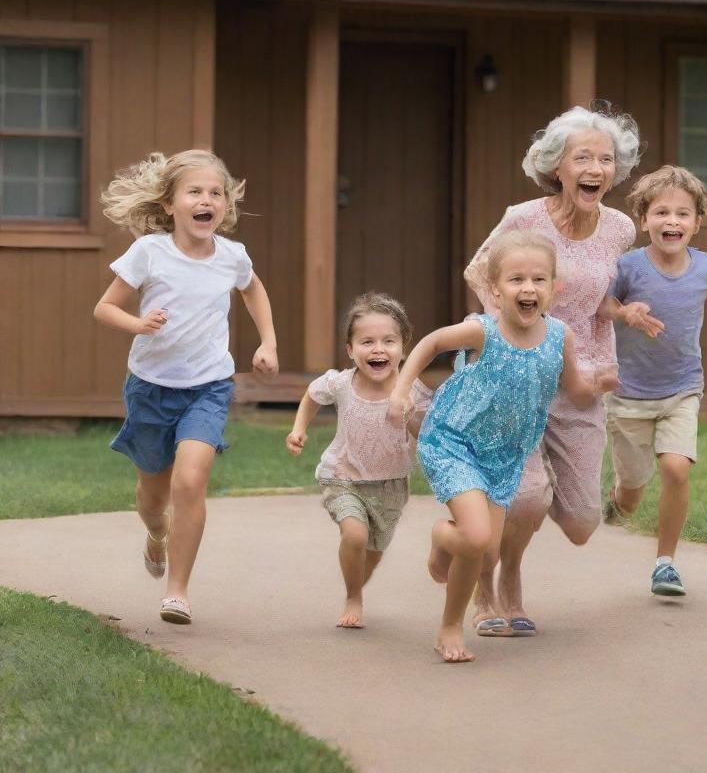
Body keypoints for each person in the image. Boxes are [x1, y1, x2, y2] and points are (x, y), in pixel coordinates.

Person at [390, 231, 617, 663]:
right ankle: (450, 625)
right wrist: (402, 389)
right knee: (477, 539)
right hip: (455, 442)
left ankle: (447, 542)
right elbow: (432, 343)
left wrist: (597, 385)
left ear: (554, 288)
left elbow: (575, 390)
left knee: (484, 548)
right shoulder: (483, 331)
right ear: (495, 289)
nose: (527, 289)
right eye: (515, 280)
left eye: (538, 280)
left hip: (505, 456)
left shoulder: (560, 338)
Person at [464, 103, 641, 637]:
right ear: (556, 167)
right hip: (520, 372)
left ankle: (481, 544)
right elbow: (478, 272)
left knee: (583, 521)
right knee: (524, 495)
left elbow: (602, 296)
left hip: (583, 377)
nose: (596, 168)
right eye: (582, 157)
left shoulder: (619, 228)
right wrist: (514, 333)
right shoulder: (524, 218)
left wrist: (626, 314)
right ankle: (495, 580)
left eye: (606, 159)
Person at [94, 149, 278, 625]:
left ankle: (177, 591)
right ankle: (157, 533)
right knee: (154, 500)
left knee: (191, 480)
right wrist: (138, 323)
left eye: (215, 193)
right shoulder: (149, 252)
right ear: (171, 203)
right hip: (151, 389)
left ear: (224, 207)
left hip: (209, 386)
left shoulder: (232, 256)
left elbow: (253, 289)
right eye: (194, 191)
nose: (206, 200)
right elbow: (104, 308)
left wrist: (268, 343)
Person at [600, 166, 707, 597]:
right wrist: (625, 313)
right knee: (632, 491)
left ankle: (665, 563)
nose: (672, 222)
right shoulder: (628, 266)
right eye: (661, 212)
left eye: (683, 214)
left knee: (676, 468)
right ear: (644, 220)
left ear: (698, 222)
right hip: (627, 395)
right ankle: (618, 500)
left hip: (682, 387)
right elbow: (601, 304)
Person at [285, 293, 431, 629]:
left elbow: (426, 433)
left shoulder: (414, 390)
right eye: (367, 342)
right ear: (351, 350)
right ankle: (354, 598)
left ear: (404, 347)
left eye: (388, 341)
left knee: (373, 552)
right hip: (344, 476)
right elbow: (312, 393)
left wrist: (409, 416)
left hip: (391, 484)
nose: (378, 349)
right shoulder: (342, 383)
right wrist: (298, 429)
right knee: (355, 535)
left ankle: (355, 584)